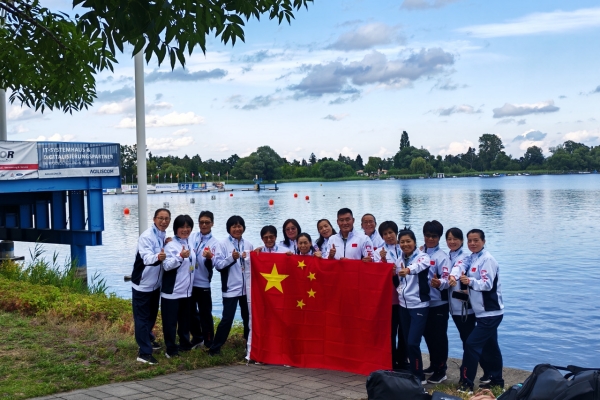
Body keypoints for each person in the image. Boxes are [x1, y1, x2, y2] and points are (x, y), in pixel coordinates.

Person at [458, 229, 505, 394]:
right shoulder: (473, 258)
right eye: (470, 240)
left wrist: (469, 281)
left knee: (471, 345)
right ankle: (497, 381)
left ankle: (467, 385)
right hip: (482, 313)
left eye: (476, 240)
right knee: (491, 347)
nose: (472, 243)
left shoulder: (487, 259)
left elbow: (487, 284)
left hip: (490, 313)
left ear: (483, 241)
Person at [209, 215, 254, 356]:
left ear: (243, 228)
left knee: (248, 318)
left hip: (246, 289)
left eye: (239, 226)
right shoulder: (222, 245)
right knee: (227, 319)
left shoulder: (248, 244)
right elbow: (218, 265)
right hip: (230, 288)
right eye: (234, 226)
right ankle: (215, 348)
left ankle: (249, 345)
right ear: (229, 228)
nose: (237, 229)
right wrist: (231, 258)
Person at [131, 208, 171, 364]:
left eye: (167, 219)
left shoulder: (162, 236)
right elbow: (147, 258)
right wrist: (158, 257)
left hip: (155, 285)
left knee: (151, 316)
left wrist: (168, 243)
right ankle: (144, 353)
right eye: (160, 218)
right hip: (143, 284)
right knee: (141, 318)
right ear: (154, 219)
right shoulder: (147, 236)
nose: (163, 221)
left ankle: (147, 339)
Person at [395, 228, 431, 385]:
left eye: (408, 241)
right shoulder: (399, 259)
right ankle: (413, 372)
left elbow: (419, 266)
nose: (405, 244)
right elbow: (397, 280)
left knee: (413, 343)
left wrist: (408, 270)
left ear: (415, 242)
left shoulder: (423, 257)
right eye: (402, 242)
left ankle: (419, 377)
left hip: (418, 306)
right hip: (403, 305)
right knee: (406, 341)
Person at [161, 214, 196, 358]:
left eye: (188, 227)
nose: (185, 229)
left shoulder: (190, 242)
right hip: (172, 292)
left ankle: (184, 344)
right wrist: (180, 257)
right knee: (170, 323)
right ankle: (171, 349)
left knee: (184, 322)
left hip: (186, 292)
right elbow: (166, 266)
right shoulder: (170, 246)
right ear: (176, 228)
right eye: (182, 227)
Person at [421, 220, 451, 384]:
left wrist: (439, 283)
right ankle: (433, 365)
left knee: (439, 338)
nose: (430, 239)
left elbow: (447, 279)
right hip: (423, 303)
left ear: (439, 237)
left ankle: (441, 370)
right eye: (427, 235)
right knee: (428, 336)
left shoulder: (442, 257)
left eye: (434, 236)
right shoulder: (419, 252)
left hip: (438, 304)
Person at [377, 220, 407, 371]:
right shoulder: (378, 252)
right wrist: (382, 261)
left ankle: (403, 360)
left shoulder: (405, 248)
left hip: (405, 299)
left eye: (391, 233)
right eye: (385, 234)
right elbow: (376, 274)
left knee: (404, 332)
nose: (388, 236)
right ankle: (390, 361)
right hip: (389, 300)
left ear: (396, 233)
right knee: (390, 332)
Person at [188, 211, 218, 350]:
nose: (204, 225)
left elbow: (217, 264)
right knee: (190, 312)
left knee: (205, 314)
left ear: (212, 223)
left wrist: (210, 257)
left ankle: (209, 341)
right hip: (189, 282)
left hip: (203, 283)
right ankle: (197, 338)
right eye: (201, 222)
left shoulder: (215, 243)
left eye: (207, 222)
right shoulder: (192, 236)